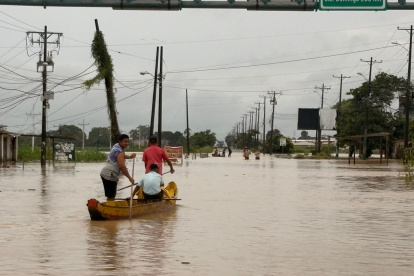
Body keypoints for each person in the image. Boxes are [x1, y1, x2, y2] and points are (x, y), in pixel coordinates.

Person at [100, 134, 136, 201]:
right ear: (120, 141)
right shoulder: (119, 151)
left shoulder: (116, 146)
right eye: (125, 141)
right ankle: (110, 209)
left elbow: (121, 156)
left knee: (111, 195)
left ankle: (109, 205)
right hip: (110, 175)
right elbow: (122, 167)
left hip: (105, 173)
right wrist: (130, 178)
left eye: (128, 141)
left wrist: (130, 157)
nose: (127, 143)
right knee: (111, 195)